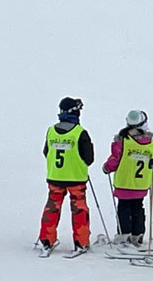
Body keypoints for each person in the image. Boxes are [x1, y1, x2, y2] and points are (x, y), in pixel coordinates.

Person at [38, 97, 94, 254]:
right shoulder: (80, 133)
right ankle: (81, 242)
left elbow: (46, 152)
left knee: (51, 208)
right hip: (76, 178)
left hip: (55, 177)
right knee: (79, 210)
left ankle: (46, 240)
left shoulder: (51, 131)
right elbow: (89, 158)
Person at [103, 110, 153, 247]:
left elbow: (116, 159)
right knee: (138, 207)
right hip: (141, 183)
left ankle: (123, 234)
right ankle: (137, 234)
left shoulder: (122, 141)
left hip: (124, 182)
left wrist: (107, 167)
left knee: (124, 208)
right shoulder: (151, 143)